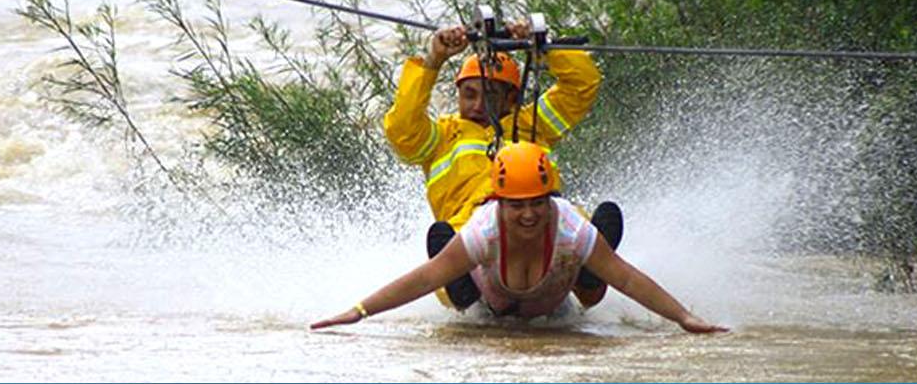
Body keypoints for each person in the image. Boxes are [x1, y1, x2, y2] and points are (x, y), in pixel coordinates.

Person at [311, 143, 728, 334]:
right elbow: (424, 278)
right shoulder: (483, 228)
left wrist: (683, 317)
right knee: (444, 246)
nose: (528, 214)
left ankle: (587, 276)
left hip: (556, 312)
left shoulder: (568, 226)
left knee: (598, 241)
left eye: (537, 203)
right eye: (516, 205)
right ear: (498, 202)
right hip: (489, 310)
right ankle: (576, 274)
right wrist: (359, 310)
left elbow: (630, 280)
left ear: (551, 199)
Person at [382, 22, 615, 311]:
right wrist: (433, 61)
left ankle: (588, 274)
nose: (478, 105)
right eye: (469, 94)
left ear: (511, 98)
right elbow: (401, 128)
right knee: (446, 242)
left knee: (576, 220)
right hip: (470, 225)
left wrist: (543, 45)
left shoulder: (533, 124)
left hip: (540, 216)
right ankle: (461, 286)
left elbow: (582, 84)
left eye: (490, 95)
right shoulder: (440, 136)